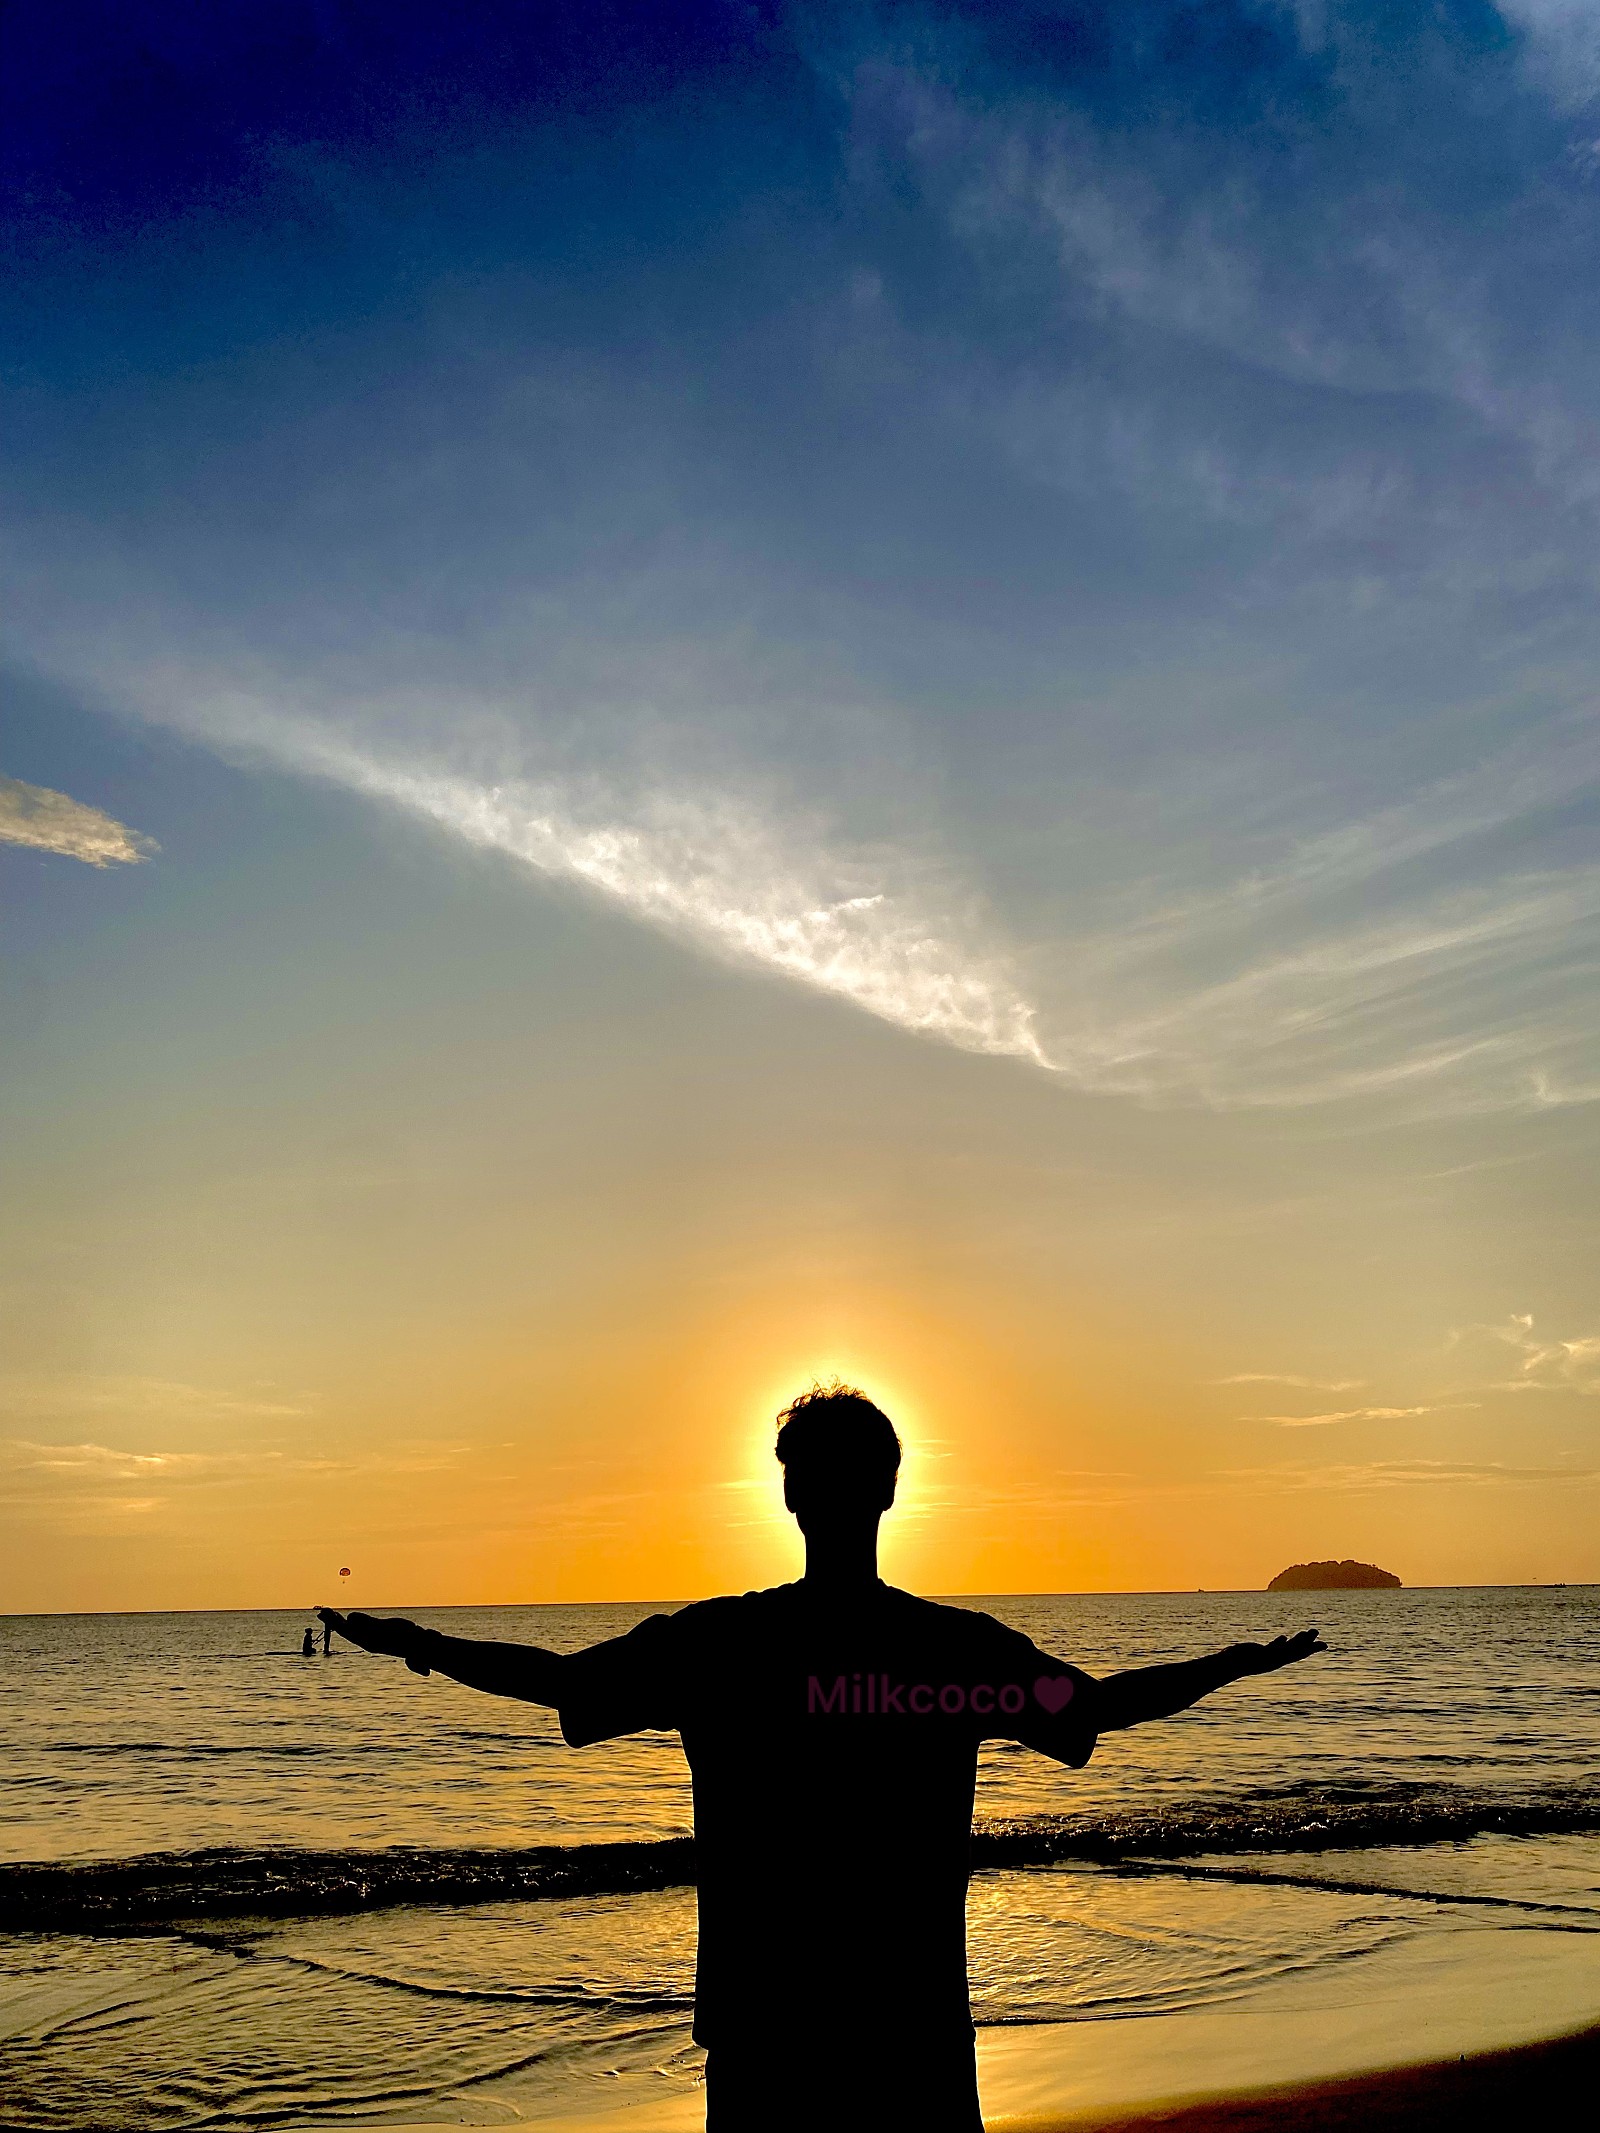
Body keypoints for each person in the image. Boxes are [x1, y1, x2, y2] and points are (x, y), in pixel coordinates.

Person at [319, 1384, 1322, 2131]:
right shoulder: (952, 1652)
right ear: (888, 1491)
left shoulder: (720, 1645)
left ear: (792, 1495)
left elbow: (559, 1680)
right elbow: (1096, 1706)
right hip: (908, 2024)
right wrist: (1226, 1664)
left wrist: (422, 1644)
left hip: (770, 2025)